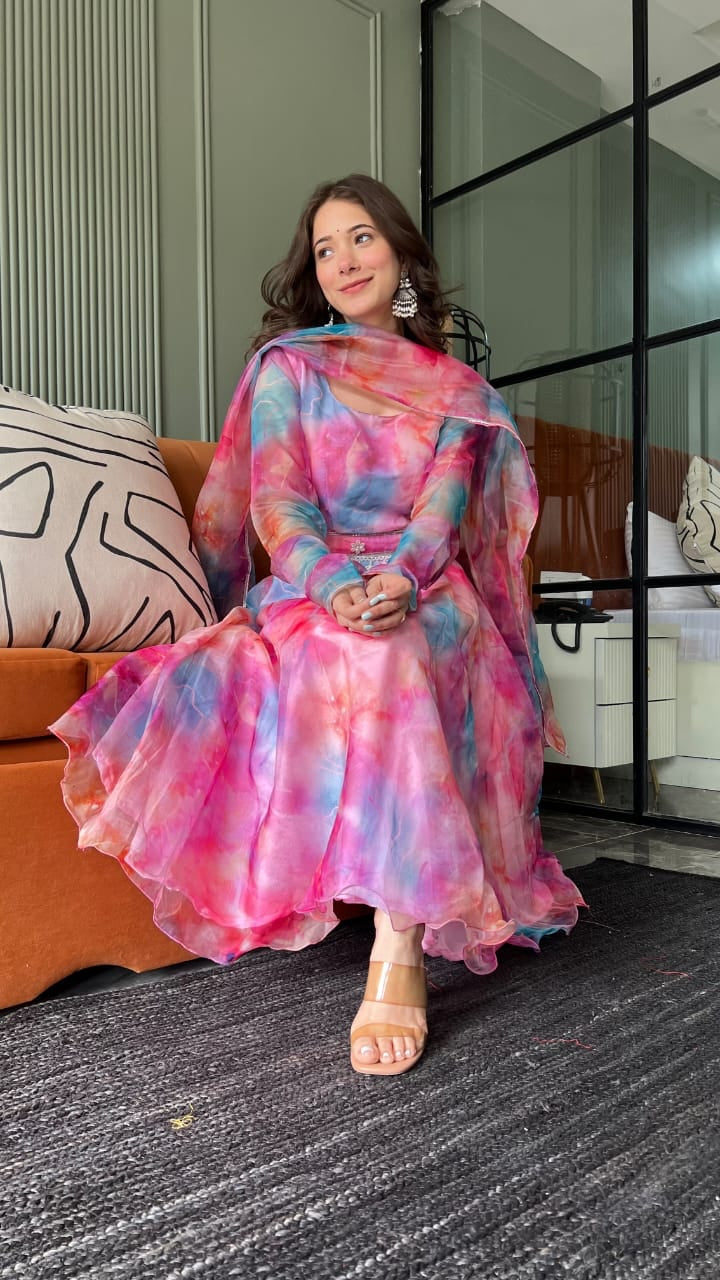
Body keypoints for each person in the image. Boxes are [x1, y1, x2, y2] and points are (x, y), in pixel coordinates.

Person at [51, 174, 586, 1077]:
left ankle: (398, 944)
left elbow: (441, 516)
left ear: (404, 256)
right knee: (362, 650)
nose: (343, 260)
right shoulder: (289, 369)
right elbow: (280, 507)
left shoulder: (456, 391)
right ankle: (392, 929)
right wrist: (337, 584)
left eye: (362, 238)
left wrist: (401, 581)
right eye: (326, 248)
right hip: (313, 585)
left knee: (398, 647)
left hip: (427, 588)